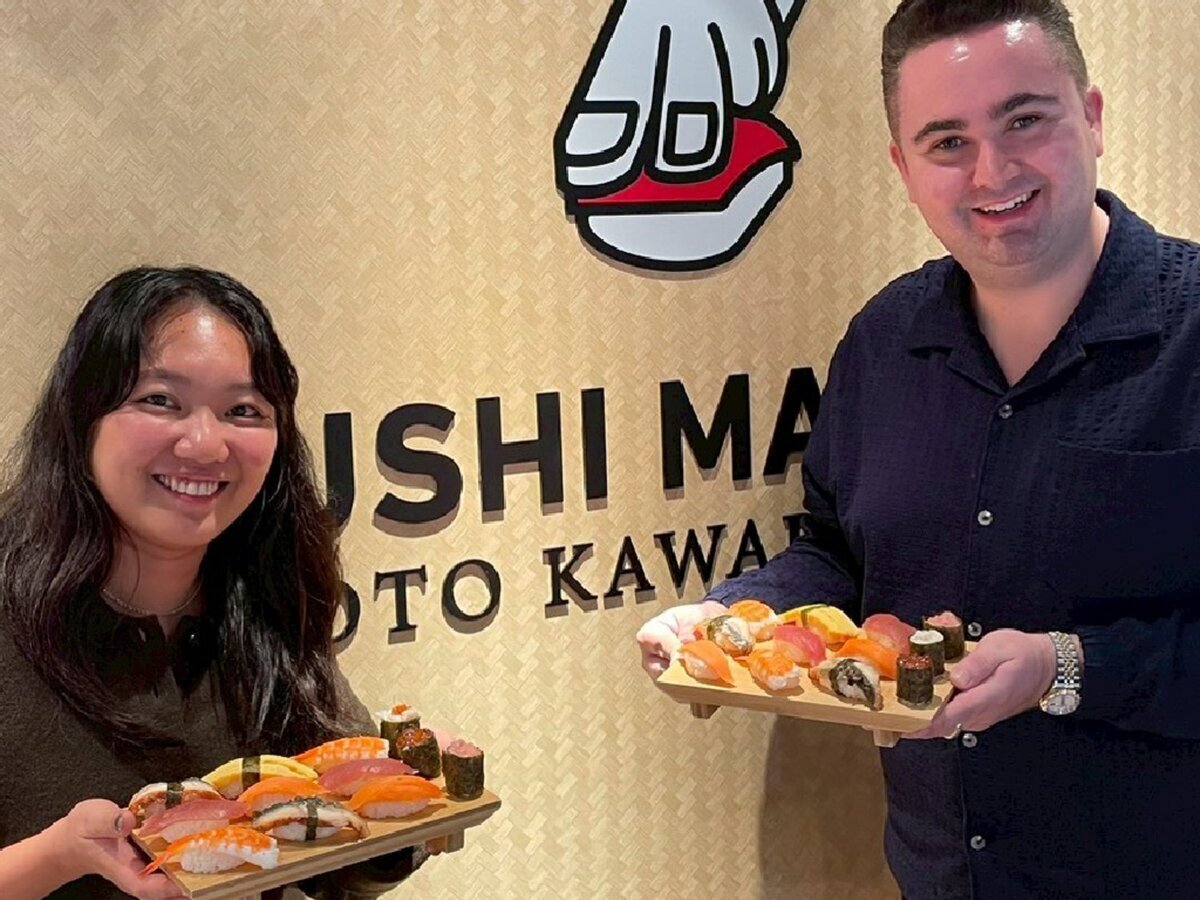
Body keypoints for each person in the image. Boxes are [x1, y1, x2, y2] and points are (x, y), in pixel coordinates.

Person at [637, 1, 1200, 897]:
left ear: (1091, 116)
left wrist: (1067, 668)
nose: (992, 170)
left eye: (1025, 120)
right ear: (903, 167)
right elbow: (839, 551)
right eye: (947, 142)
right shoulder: (884, 339)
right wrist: (730, 619)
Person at [0, 267, 426, 899]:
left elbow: (339, 861)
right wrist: (58, 856)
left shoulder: (264, 597)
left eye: (242, 410)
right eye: (160, 400)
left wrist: (413, 795)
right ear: (82, 415)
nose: (205, 444)